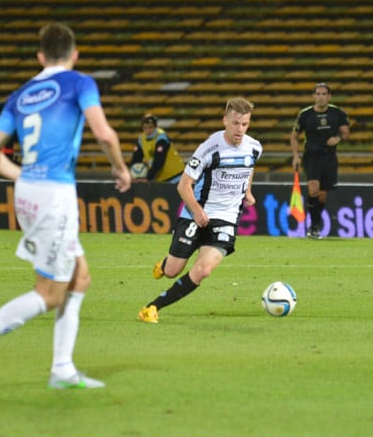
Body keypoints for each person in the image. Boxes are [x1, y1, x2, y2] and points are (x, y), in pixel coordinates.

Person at [0, 23, 131, 389]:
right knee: (49, 293)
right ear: (75, 54)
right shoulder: (80, 83)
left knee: (80, 278)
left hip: (29, 190)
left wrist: (27, 177)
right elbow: (105, 134)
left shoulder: (21, 94)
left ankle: (62, 368)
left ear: (40, 57)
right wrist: (120, 168)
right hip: (53, 194)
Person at [138, 97, 262, 324]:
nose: (240, 130)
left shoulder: (254, 147)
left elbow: (249, 168)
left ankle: (152, 307)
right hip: (197, 214)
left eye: (245, 124)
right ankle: (165, 264)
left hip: (226, 218)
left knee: (203, 270)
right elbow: (183, 185)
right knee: (173, 270)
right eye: (235, 123)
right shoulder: (209, 148)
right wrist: (196, 210)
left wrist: (247, 192)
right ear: (225, 120)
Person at [289, 83, 350, 239]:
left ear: (329, 97)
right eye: (318, 94)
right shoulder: (305, 114)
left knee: (322, 195)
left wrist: (337, 139)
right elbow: (294, 136)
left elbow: (346, 133)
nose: (321, 97)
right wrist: (296, 156)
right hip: (312, 157)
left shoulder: (337, 113)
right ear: (313, 96)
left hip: (329, 158)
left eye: (324, 94)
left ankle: (315, 226)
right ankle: (313, 227)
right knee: (313, 189)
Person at [130, 113, 185, 183]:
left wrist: (148, 178)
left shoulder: (161, 138)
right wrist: (133, 174)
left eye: (150, 127)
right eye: (145, 128)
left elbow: (159, 161)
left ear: (155, 127)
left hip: (176, 176)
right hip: (161, 179)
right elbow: (136, 158)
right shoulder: (141, 139)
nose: (148, 130)